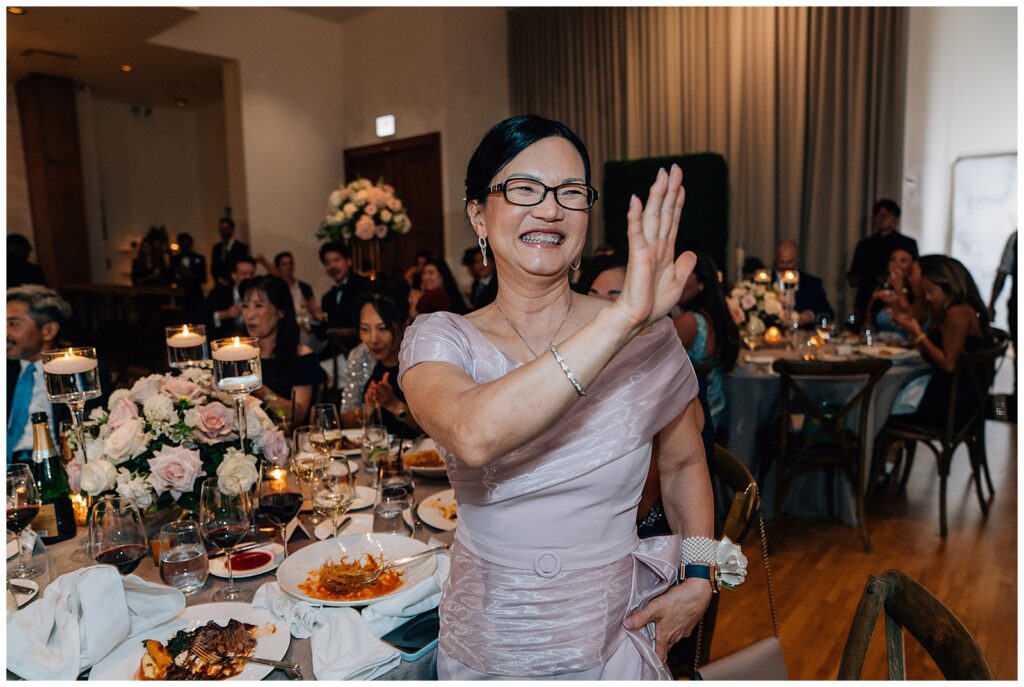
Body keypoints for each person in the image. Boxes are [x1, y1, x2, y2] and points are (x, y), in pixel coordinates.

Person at [398, 115, 713, 678]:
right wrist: (621, 320)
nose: (549, 210)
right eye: (523, 188)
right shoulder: (441, 337)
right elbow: (473, 434)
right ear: (478, 214)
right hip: (490, 637)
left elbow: (686, 460)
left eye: (571, 193)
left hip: (612, 634)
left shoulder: (646, 333)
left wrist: (701, 578)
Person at [7, 286, 110, 464]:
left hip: (58, 467)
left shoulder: (79, 370)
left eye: (13, 324)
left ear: (48, 331)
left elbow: (94, 430)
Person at [892, 256, 993, 428]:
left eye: (931, 291)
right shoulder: (955, 310)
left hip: (951, 407)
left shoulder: (957, 313)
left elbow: (948, 364)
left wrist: (918, 334)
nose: (928, 297)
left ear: (948, 287)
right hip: (959, 399)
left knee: (883, 412)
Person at [338, 284, 423, 437]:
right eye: (365, 329)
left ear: (403, 326)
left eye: (382, 328)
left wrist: (394, 405)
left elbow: (437, 429)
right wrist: (370, 409)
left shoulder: (419, 360)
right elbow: (345, 420)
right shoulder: (361, 355)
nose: (373, 340)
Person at [241, 276, 325, 426]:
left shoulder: (302, 357)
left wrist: (260, 389)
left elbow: (297, 415)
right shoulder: (239, 355)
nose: (249, 315)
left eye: (258, 305)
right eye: (245, 306)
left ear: (280, 311)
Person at [673, 252, 740, 432]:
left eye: (683, 276)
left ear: (701, 284)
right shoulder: (711, 317)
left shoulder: (689, 321)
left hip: (696, 417)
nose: (674, 280)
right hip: (714, 409)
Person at [847, 198, 919, 325]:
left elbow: (915, 271)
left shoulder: (906, 243)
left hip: (902, 292)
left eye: (887, 215)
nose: (882, 218)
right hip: (868, 293)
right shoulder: (865, 244)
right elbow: (855, 273)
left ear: (896, 219)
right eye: (879, 215)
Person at [773, 239, 833, 326]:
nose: (786, 267)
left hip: (803, 335)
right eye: (782, 262)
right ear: (776, 260)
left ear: (797, 260)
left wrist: (811, 315)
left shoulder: (812, 284)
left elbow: (828, 313)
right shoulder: (765, 282)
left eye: (789, 263)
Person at [318, 241, 370, 330]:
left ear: (349, 261)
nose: (332, 266)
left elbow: (355, 321)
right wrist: (315, 318)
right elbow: (323, 334)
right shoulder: (327, 298)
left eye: (336, 260)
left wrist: (325, 318)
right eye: (327, 263)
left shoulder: (364, 285)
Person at [862, 247, 915, 334]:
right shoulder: (880, 289)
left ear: (912, 267)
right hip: (881, 344)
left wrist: (899, 290)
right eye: (892, 260)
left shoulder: (916, 291)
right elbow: (867, 324)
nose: (896, 264)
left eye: (903, 261)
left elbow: (911, 320)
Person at [204, 255, 256, 339]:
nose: (248, 278)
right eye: (244, 274)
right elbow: (200, 317)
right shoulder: (218, 293)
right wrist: (225, 314)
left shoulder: (259, 295)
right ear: (234, 275)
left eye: (251, 274)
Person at [273, 251, 323, 329]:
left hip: (307, 328)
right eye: (284, 264)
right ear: (278, 268)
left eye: (291, 263)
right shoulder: (275, 290)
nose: (288, 267)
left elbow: (313, 309)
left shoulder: (305, 287)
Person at [210, 216, 250, 286]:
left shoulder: (241, 247)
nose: (222, 232)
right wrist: (219, 279)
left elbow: (241, 266)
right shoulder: (216, 248)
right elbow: (214, 267)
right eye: (220, 229)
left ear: (232, 229)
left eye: (225, 229)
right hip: (220, 285)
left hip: (235, 283)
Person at [462, 244, 497, 310]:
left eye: (483, 260)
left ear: (493, 262)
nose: (480, 266)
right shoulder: (476, 283)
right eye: (476, 262)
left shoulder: (498, 283)